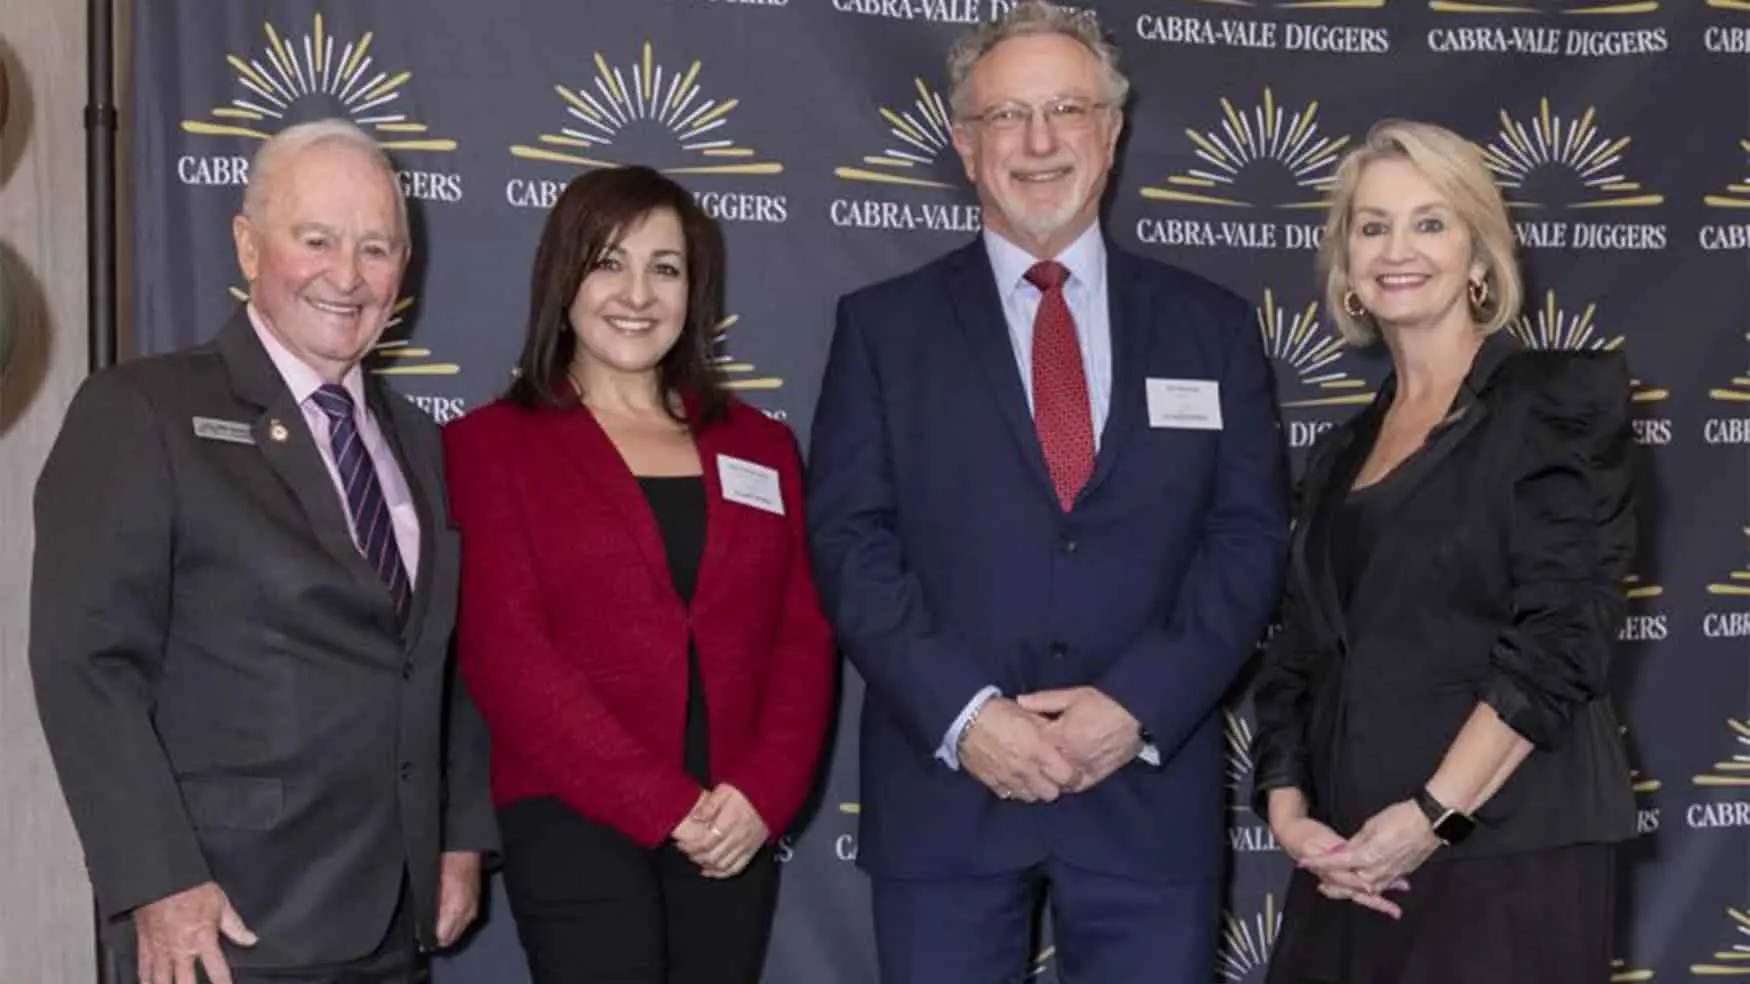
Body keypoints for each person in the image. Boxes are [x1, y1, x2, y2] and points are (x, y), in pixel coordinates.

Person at [806, 3, 1290, 981]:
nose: (1036, 142)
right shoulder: (881, 331)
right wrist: (967, 716)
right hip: (948, 796)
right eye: (1004, 117)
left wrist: (1137, 707)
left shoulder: (1214, 329)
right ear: (965, 144)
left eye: (1065, 110)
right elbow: (852, 543)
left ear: (1110, 133)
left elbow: (1246, 542)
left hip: (1148, 799)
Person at [29, 118, 495, 984]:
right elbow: (84, 665)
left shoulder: (421, 444)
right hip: (225, 923)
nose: (347, 277)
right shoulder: (141, 413)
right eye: (315, 240)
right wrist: (158, 882)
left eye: (376, 248)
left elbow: (442, 657)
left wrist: (457, 833)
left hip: (392, 922)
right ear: (248, 247)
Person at [1250, 119, 1639, 984]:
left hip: (1501, 851)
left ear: (1479, 257)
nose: (1399, 248)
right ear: (1346, 265)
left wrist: (1434, 817)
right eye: (1372, 224)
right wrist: (1289, 814)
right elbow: (1302, 653)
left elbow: (1560, 641)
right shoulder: (1341, 451)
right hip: (1350, 860)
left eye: (1431, 222)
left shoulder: (1553, 407)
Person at [442, 164, 834, 984]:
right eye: (608, 261)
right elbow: (507, 654)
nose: (637, 293)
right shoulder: (490, 447)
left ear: (696, 290)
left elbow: (802, 637)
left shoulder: (759, 446)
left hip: (735, 827)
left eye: (666, 267)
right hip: (574, 814)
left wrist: (761, 794)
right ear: (564, 277)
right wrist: (665, 804)